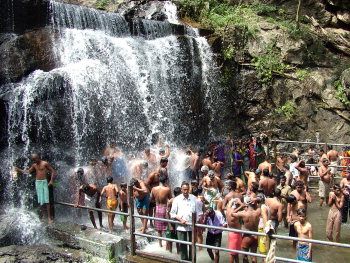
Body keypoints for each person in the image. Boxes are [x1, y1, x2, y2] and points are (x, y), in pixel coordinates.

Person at [15, 153, 57, 224]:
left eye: (36, 159)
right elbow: (28, 172)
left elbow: (53, 171)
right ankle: (44, 216)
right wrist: (19, 170)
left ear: (39, 157)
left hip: (44, 182)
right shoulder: (34, 165)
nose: (35, 161)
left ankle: (50, 218)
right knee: (41, 200)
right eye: (33, 160)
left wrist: (51, 181)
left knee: (47, 200)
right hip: (38, 182)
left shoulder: (45, 163)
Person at [170, 182, 202, 261]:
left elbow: (199, 212)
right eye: (184, 190)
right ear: (181, 190)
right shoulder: (177, 199)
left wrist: (197, 222)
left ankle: (192, 260)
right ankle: (184, 260)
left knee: (192, 245)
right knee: (183, 245)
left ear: (189, 189)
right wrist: (180, 219)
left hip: (192, 225)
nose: (185, 191)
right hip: (181, 226)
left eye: (187, 190)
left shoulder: (194, 198)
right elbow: (172, 213)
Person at [231, 196, 261, 263]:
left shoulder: (243, 213)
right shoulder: (258, 212)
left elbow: (232, 214)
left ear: (246, 204)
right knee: (253, 256)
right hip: (255, 236)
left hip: (246, 237)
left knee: (245, 256)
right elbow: (261, 201)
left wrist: (241, 206)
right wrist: (255, 199)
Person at [150, 174, 172, 247]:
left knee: (159, 229)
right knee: (166, 228)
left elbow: (151, 199)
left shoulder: (153, 189)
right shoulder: (167, 189)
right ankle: (167, 246)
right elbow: (171, 199)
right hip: (164, 208)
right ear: (165, 181)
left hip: (157, 208)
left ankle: (160, 245)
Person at [226, 196, 244, 263]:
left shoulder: (228, 209)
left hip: (231, 233)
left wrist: (233, 201)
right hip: (236, 235)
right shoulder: (235, 214)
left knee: (235, 254)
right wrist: (241, 205)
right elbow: (244, 206)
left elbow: (229, 205)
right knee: (233, 255)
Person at [166, 187, 181, 254]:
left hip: (179, 222)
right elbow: (167, 213)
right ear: (177, 193)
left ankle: (178, 253)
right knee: (170, 239)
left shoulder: (182, 200)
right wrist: (169, 225)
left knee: (178, 239)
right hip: (172, 222)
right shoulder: (171, 201)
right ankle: (170, 253)